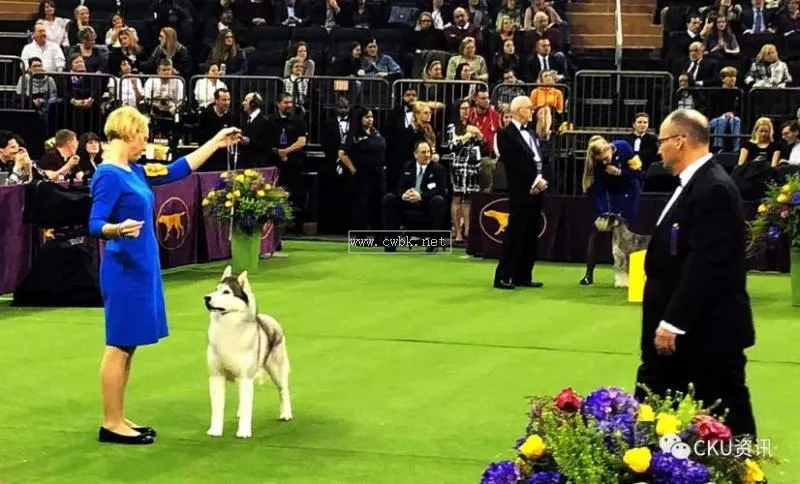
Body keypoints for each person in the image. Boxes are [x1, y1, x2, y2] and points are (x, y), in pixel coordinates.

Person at [88, 106, 241, 445]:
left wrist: (216, 142)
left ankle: (119, 416)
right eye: (142, 137)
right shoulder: (109, 175)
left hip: (141, 267)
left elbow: (177, 170)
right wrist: (117, 229)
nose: (145, 144)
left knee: (128, 347)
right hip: (124, 270)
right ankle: (110, 423)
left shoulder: (134, 171)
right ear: (127, 134)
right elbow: (94, 223)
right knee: (118, 346)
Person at [635, 108, 756, 438]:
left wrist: (674, 321)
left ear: (679, 141)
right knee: (653, 408)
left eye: (661, 141)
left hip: (705, 333)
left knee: (727, 418)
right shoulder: (693, 184)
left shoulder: (713, 188)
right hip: (682, 333)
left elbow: (707, 264)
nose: (658, 149)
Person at [493, 96, 547, 290]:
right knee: (515, 233)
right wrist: (534, 180)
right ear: (518, 110)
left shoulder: (531, 133)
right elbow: (514, 162)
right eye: (529, 108)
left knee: (531, 234)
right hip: (521, 190)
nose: (532, 111)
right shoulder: (505, 134)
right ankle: (503, 275)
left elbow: (538, 158)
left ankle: (524, 274)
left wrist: (541, 179)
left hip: (537, 190)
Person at [579, 136, 643, 285]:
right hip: (610, 196)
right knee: (595, 233)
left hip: (628, 193)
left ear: (610, 148)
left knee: (627, 236)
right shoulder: (596, 163)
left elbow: (639, 173)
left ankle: (628, 276)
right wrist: (603, 212)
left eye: (606, 158)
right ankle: (589, 274)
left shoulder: (624, 147)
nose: (605, 162)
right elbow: (598, 191)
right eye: (601, 160)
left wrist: (619, 172)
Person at [382, 140, 447, 252]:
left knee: (439, 201)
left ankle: (433, 243)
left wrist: (421, 195)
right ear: (415, 154)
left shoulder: (438, 169)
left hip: (427, 203)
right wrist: (404, 195)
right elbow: (400, 187)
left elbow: (439, 190)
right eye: (423, 152)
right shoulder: (407, 166)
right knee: (389, 199)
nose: (427, 155)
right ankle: (391, 242)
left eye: (428, 152)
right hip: (408, 203)